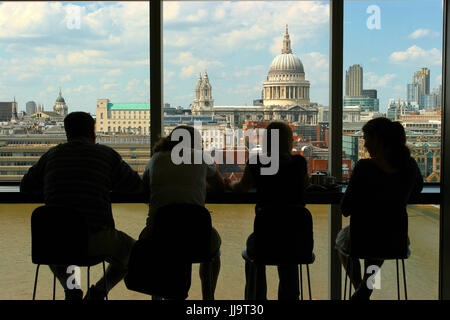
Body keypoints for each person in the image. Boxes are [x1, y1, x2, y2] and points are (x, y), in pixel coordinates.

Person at [21, 111, 143, 300]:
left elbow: (26, 186)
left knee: (56, 248)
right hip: (94, 240)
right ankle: (100, 291)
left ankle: (72, 289)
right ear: (92, 133)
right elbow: (135, 186)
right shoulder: (105, 155)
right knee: (135, 252)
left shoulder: (52, 155)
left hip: (55, 242)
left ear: (67, 133)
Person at [335, 117, 423, 300]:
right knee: (380, 236)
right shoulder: (410, 166)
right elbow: (416, 191)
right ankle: (364, 290)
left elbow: (345, 208)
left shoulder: (364, 167)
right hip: (395, 240)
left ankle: (360, 289)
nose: (365, 144)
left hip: (363, 238)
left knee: (344, 240)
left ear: (378, 140)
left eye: (366, 138)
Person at [139, 125, 226, 300]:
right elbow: (220, 186)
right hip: (195, 234)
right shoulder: (201, 157)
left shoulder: (155, 159)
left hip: (159, 234)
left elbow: (144, 191)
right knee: (214, 250)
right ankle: (208, 297)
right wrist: (198, 184)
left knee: (153, 251)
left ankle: (156, 296)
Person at [228, 121, 312, 300]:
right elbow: (305, 185)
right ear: (289, 141)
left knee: (256, 247)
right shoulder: (299, 162)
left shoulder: (257, 163)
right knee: (289, 251)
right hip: (297, 240)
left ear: (266, 141)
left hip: (266, 237)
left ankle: (256, 299)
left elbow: (242, 187)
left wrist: (230, 183)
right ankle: (290, 297)